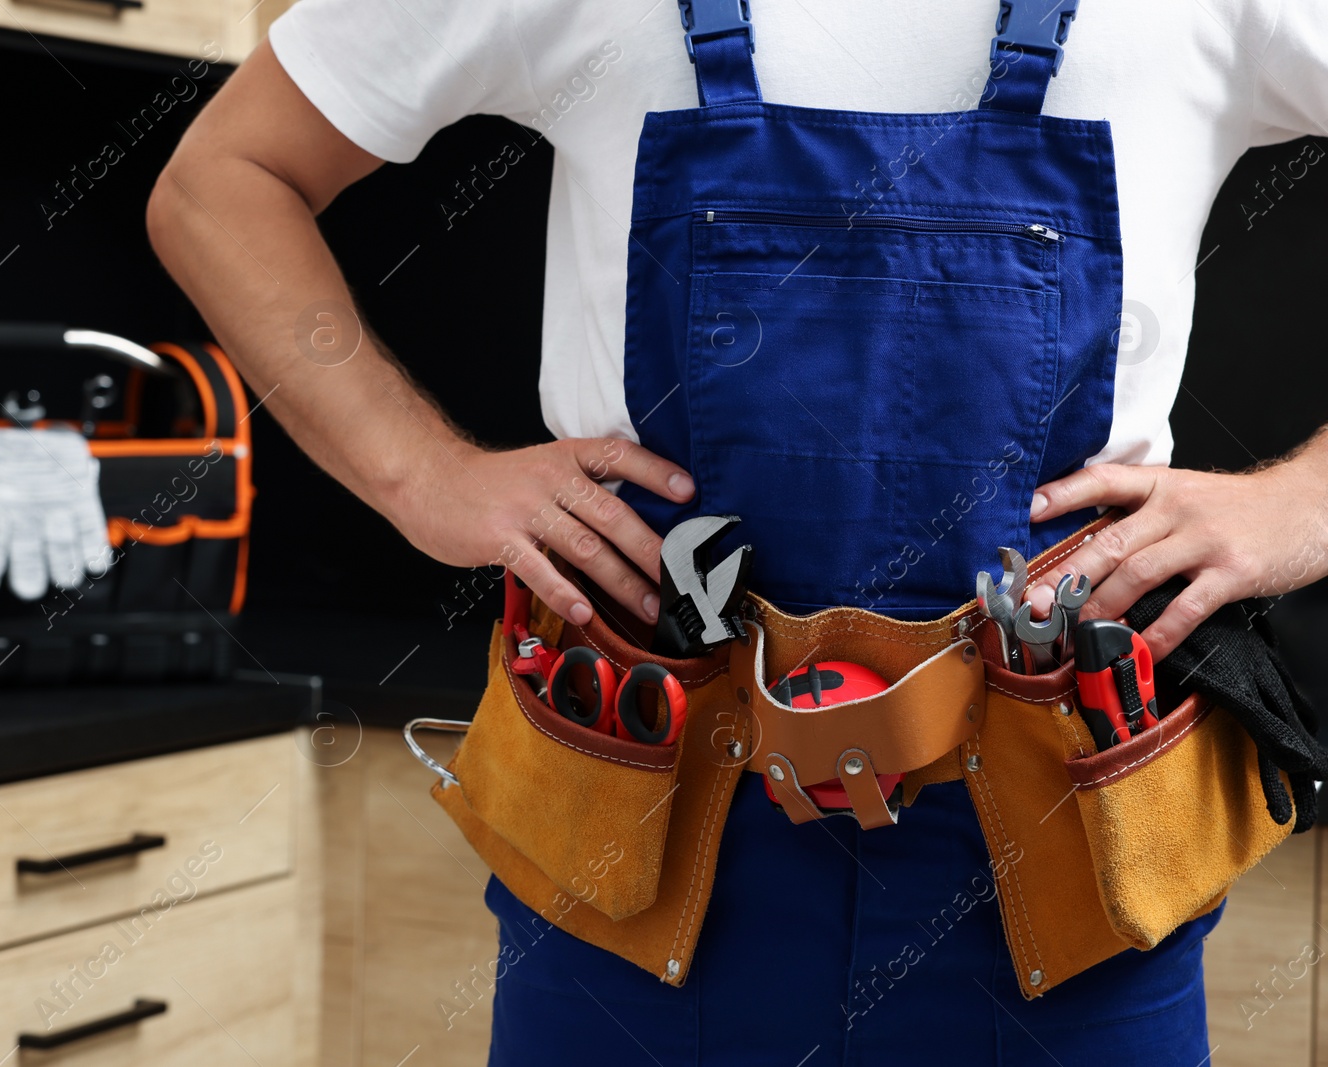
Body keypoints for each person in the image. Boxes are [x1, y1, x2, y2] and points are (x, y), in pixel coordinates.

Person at [147, 2, 1328, 1061]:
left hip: (1067, 866)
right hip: (639, 851)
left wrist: (1298, 506)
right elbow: (222, 180)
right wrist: (419, 474)